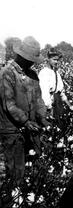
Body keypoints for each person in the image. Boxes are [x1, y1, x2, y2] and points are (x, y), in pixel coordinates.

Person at [0, 36, 49, 188]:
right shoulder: (6, 74)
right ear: (21, 56)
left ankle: (30, 201)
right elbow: (9, 104)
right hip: (12, 128)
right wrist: (26, 122)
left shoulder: (33, 75)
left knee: (33, 165)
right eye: (30, 59)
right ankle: (13, 205)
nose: (32, 62)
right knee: (16, 170)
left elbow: (39, 100)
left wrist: (44, 118)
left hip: (31, 126)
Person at [38, 48, 73, 129]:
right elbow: (44, 94)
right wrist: (49, 108)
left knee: (60, 126)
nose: (56, 62)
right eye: (54, 59)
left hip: (58, 103)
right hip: (50, 105)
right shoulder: (44, 73)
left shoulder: (56, 73)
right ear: (48, 59)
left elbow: (61, 92)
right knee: (51, 127)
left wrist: (70, 105)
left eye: (57, 60)